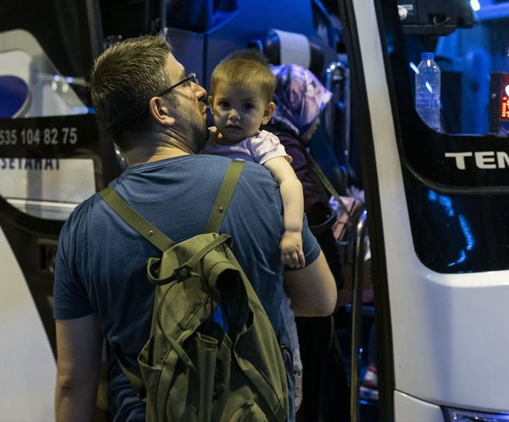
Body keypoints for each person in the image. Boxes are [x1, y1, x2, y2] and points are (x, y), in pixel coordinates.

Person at [53, 34, 337, 422]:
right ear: (161, 110)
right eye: (186, 82)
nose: (201, 91)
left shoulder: (82, 228)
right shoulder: (262, 186)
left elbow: (73, 382)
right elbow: (320, 300)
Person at [201, 49, 308, 409]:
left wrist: (292, 231)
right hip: (216, 255)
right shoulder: (203, 141)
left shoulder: (260, 143)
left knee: (277, 322)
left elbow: (290, 183)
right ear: (210, 104)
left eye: (247, 106)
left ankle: (288, 390)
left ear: (267, 113)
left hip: (257, 257)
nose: (234, 115)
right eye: (225, 104)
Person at [265, 63, 351, 421]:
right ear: (294, 105)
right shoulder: (285, 149)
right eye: (314, 110)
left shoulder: (263, 141)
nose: (316, 121)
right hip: (302, 295)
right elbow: (310, 212)